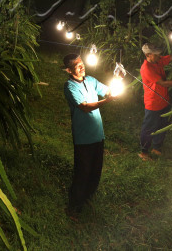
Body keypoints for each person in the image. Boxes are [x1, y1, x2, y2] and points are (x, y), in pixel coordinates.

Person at [62, 53, 116, 219]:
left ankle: (88, 196)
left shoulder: (91, 81)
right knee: (82, 171)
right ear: (69, 70)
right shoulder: (70, 87)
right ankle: (74, 205)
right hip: (83, 136)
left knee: (95, 168)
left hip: (97, 134)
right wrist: (106, 102)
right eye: (77, 66)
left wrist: (115, 84)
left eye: (82, 63)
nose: (81, 67)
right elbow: (84, 107)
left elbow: (106, 89)